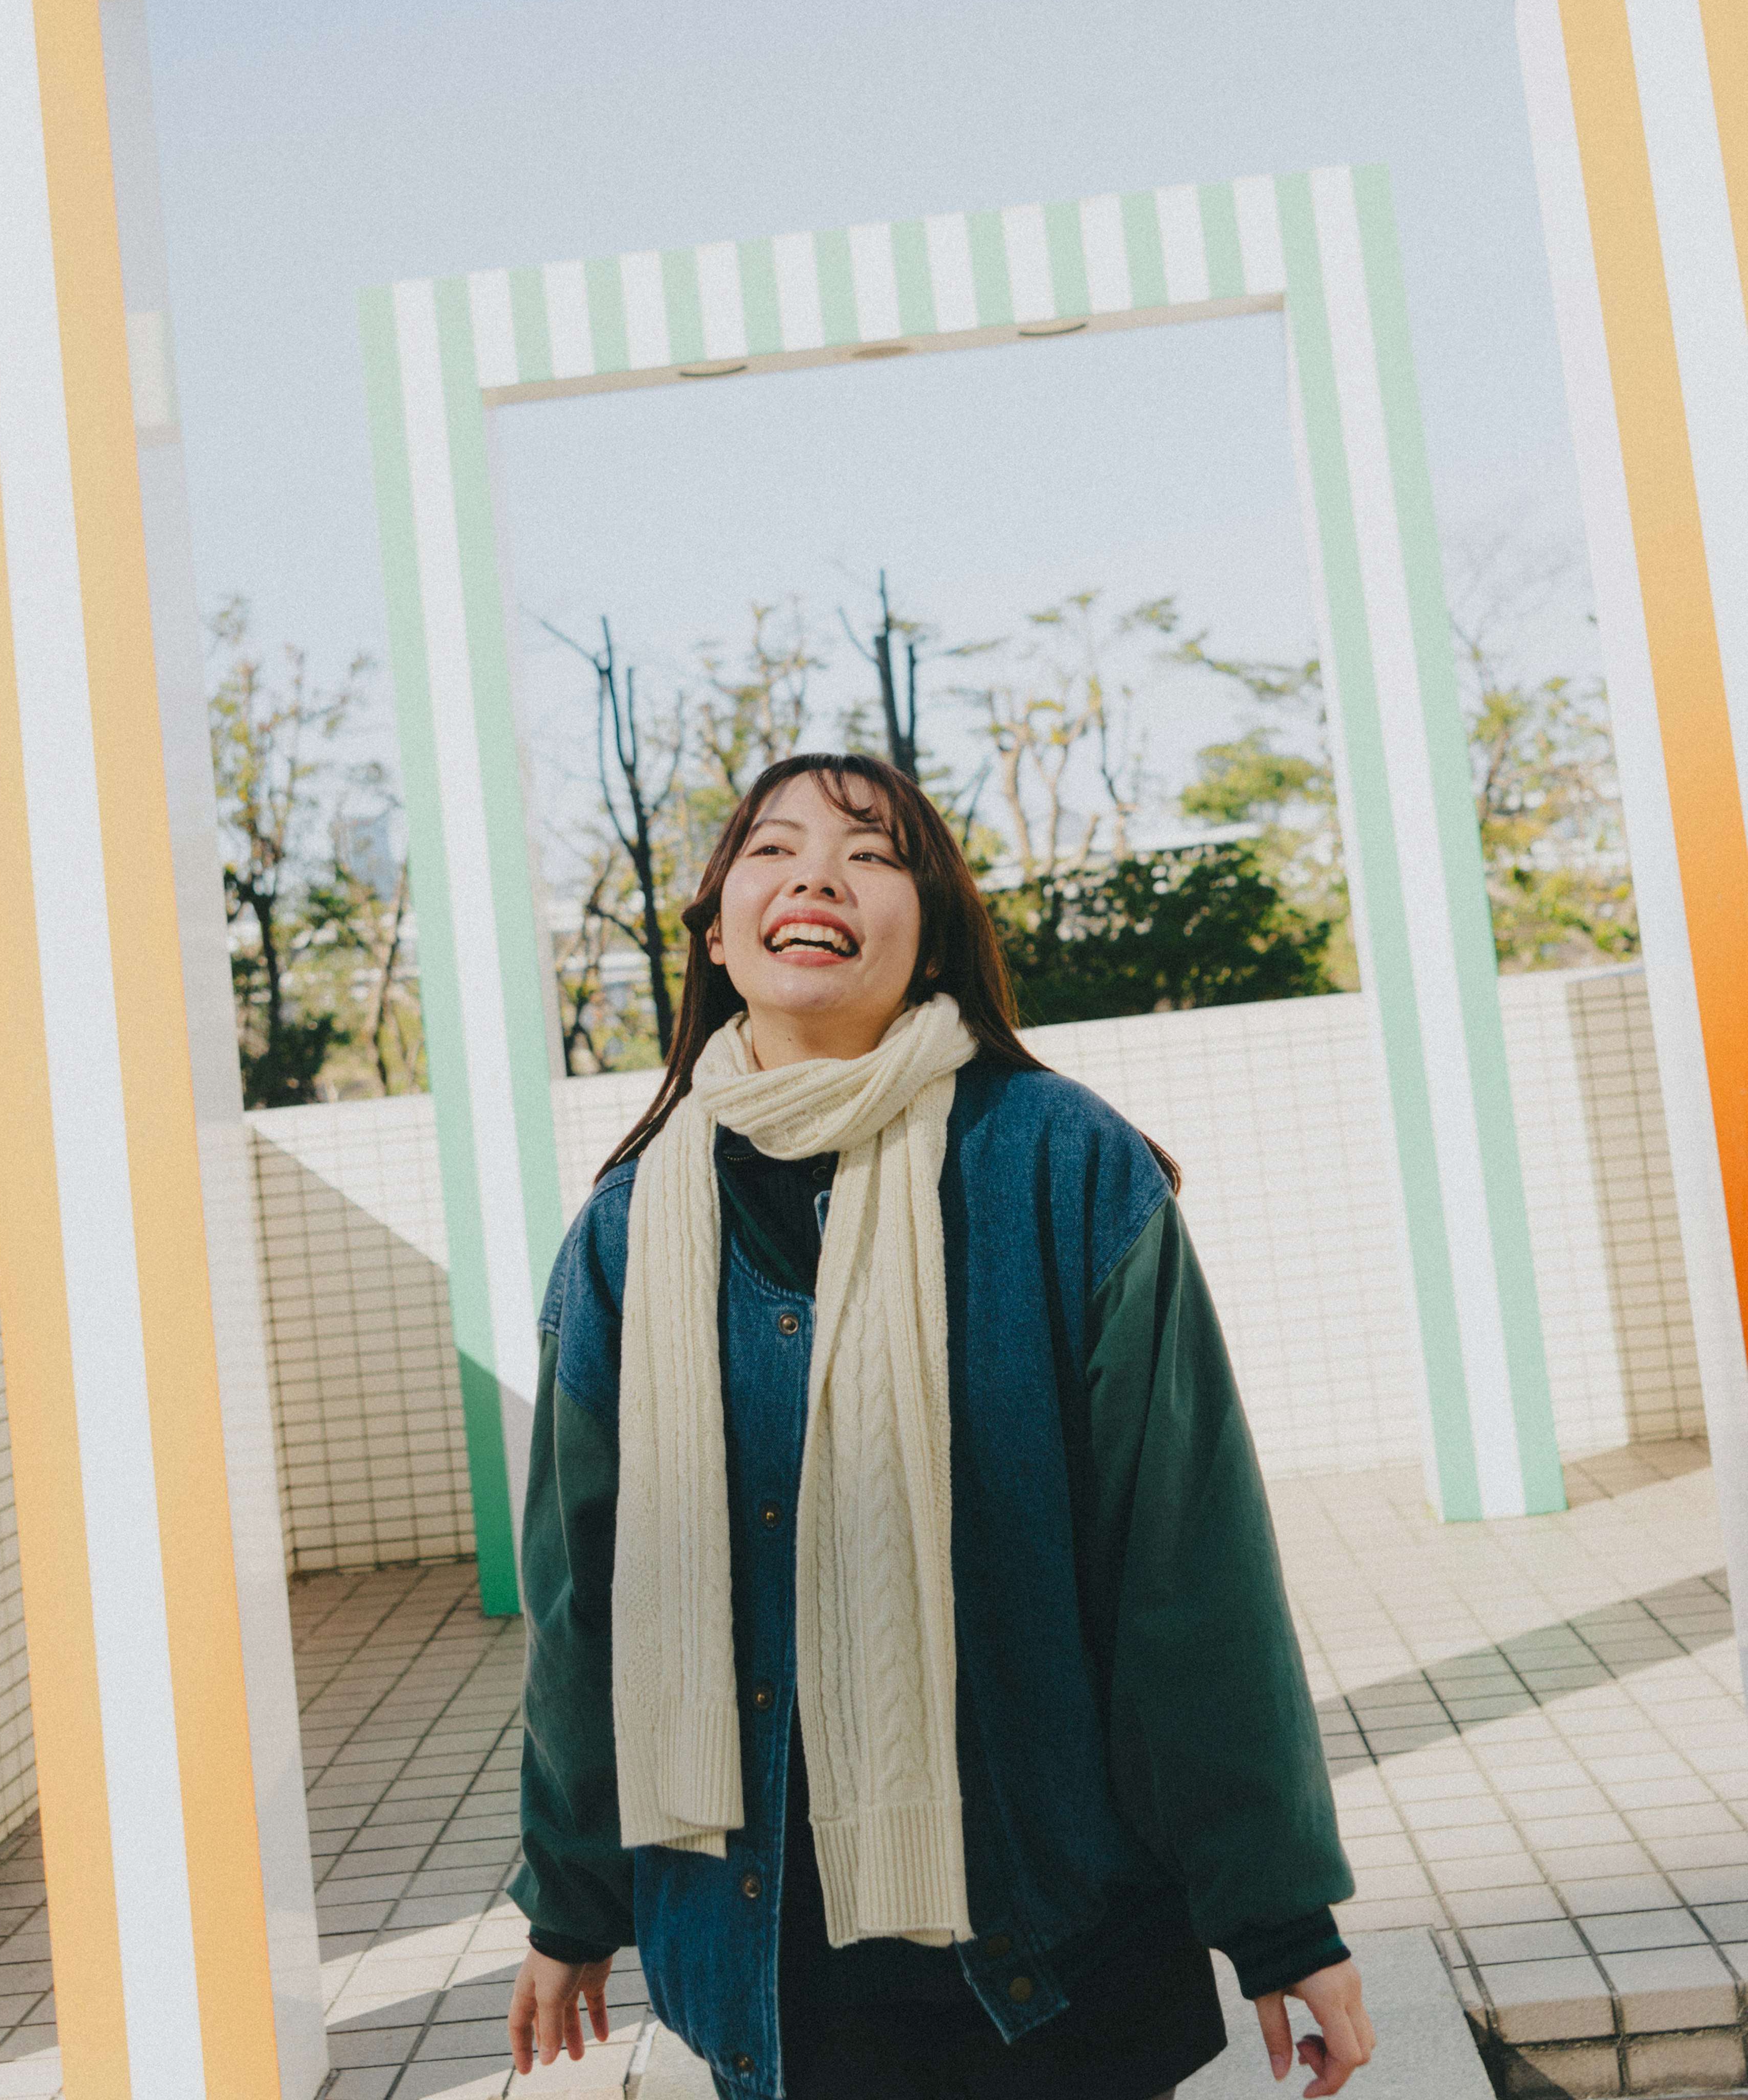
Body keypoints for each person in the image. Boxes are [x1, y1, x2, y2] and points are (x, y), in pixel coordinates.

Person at [506, 754, 1375, 2100]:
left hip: (1050, 1949)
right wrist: (569, 1902)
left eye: (872, 851)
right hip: (769, 1956)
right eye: (772, 849)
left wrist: (1279, 1919)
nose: (816, 873)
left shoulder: (1064, 1167)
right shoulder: (627, 1233)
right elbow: (581, 1608)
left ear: (934, 937)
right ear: (721, 936)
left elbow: (1189, 1570)